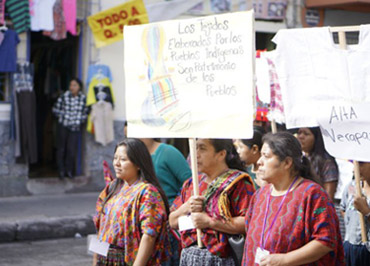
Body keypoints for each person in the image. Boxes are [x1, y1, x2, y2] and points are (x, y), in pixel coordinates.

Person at [243, 132, 344, 265]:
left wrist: (285, 260)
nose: (259, 162)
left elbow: (326, 240)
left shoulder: (312, 194)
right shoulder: (260, 195)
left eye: (266, 156)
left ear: (287, 163)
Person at [169, 139, 255, 266]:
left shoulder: (238, 183)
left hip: (222, 259)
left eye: (202, 149)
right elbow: (172, 221)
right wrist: (186, 207)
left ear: (221, 154)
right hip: (190, 257)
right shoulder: (192, 184)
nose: (195, 154)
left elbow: (248, 222)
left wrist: (210, 222)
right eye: (195, 148)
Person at [93, 138, 170, 265]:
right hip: (105, 260)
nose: (117, 163)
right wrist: (95, 261)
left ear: (138, 164)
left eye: (123, 159)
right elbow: (100, 228)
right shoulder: (112, 188)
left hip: (128, 261)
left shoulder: (147, 192)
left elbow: (149, 235)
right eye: (115, 158)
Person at [140, 138, 192, 266]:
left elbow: (190, 184)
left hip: (169, 223)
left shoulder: (168, 153)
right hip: (143, 221)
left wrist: (178, 209)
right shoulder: (133, 155)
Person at [52, 78, 88, 179]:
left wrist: (80, 120)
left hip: (75, 127)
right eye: (71, 85)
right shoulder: (64, 96)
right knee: (61, 149)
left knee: (71, 150)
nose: (72, 87)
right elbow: (55, 109)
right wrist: (63, 116)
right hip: (63, 126)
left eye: (74, 85)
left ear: (79, 87)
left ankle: (69, 171)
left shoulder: (83, 98)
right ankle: (61, 171)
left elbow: (85, 112)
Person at [340, 161, 370, 265]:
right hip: (350, 247)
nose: (355, 169)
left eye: (361, 164)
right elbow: (343, 208)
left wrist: (366, 212)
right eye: (355, 164)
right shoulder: (351, 187)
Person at [297, 127, 339, 200]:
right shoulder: (297, 159)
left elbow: (329, 195)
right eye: (299, 133)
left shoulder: (326, 161)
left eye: (306, 134)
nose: (301, 137)